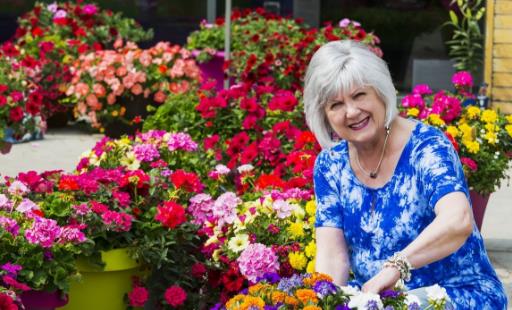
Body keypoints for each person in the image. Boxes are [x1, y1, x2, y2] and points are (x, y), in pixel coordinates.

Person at [304, 40, 507, 309]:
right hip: (377, 301)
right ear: (324, 115)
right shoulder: (330, 165)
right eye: (336, 104)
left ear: (381, 92)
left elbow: (457, 220)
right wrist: (327, 302)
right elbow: (333, 257)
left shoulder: (426, 146)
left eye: (359, 95)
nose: (351, 112)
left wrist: (397, 266)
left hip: (456, 294)